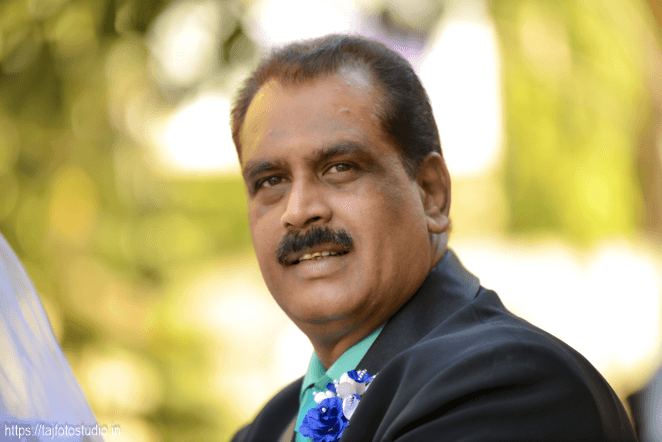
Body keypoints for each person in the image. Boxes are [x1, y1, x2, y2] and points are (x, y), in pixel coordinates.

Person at [229, 34, 637, 442]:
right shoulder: (272, 424)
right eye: (271, 180)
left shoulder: (508, 385)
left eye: (340, 167)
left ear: (430, 193)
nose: (299, 210)